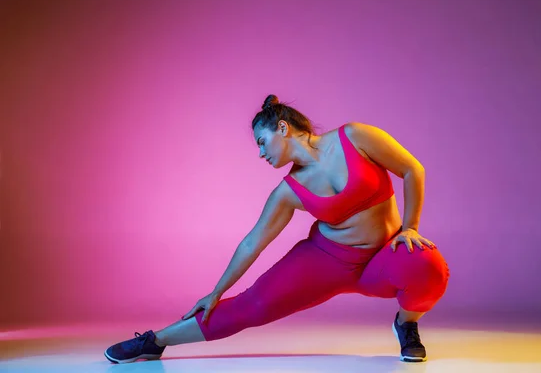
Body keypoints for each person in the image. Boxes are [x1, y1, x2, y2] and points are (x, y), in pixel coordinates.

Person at [104, 94, 450, 364]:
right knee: (252, 307)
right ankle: (155, 341)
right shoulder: (287, 191)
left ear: (283, 128)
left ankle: (406, 324)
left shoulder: (355, 137)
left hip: (380, 260)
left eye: (261, 142)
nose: (259, 153)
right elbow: (253, 242)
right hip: (327, 261)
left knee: (426, 265)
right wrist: (216, 291)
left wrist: (411, 227)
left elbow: (411, 169)